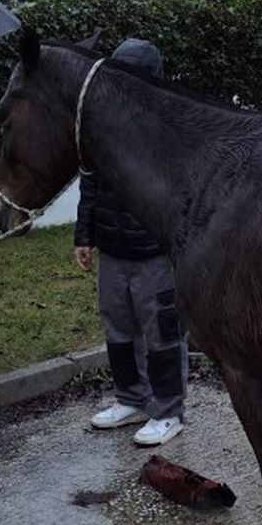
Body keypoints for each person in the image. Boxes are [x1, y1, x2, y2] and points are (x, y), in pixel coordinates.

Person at [73, 38, 188, 447]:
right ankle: (131, 399)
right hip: (112, 249)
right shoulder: (100, 124)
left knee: (161, 333)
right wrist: (84, 236)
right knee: (118, 328)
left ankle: (168, 410)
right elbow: (90, 182)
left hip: (155, 252)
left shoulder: (170, 129)